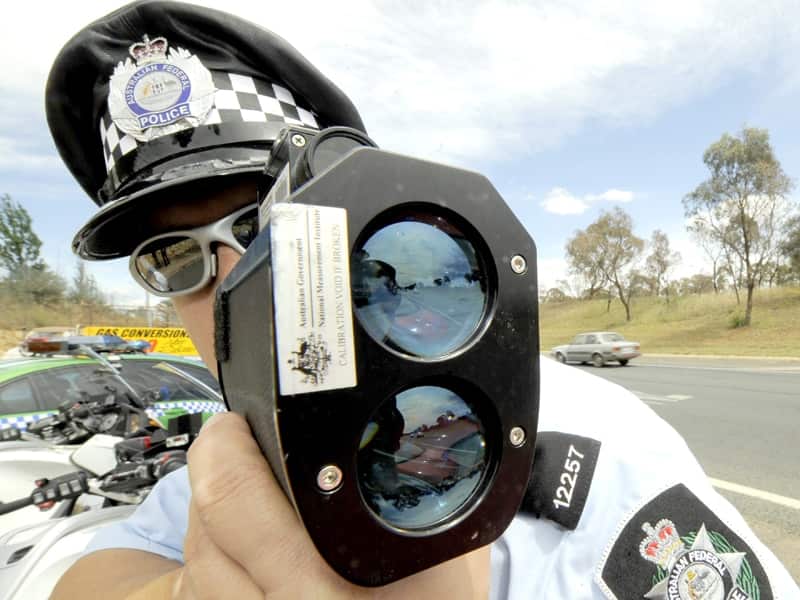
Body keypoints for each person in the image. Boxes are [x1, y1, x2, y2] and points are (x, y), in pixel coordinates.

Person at [46, 2, 799, 599]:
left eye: (266, 223)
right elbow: (94, 568)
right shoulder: (222, 469)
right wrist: (186, 590)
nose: (234, 275)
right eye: (173, 258)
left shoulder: (591, 441)